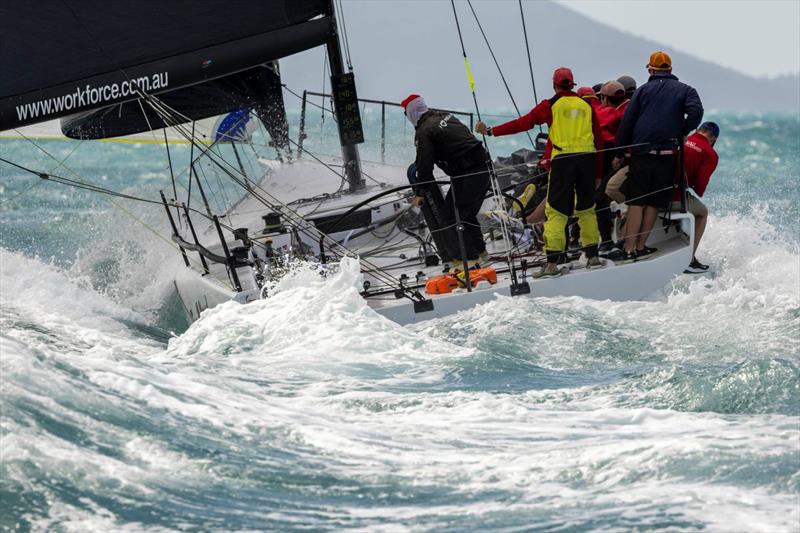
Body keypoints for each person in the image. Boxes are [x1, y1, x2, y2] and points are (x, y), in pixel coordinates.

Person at [476, 67, 603, 277]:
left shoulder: (550, 105)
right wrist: (598, 173)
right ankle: (593, 256)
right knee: (586, 209)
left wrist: (491, 131)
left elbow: (522, 123)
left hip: (563, 162)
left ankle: (552, 264)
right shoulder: (585, 105)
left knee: (556, 211)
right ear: (572, 84)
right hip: (587, 160)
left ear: (554, 85)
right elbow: (598, 140)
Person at [615, 51, 704, 262]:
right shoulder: (686, 90)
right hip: (666, 156)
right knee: (654, 203)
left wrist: (619, 152)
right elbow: (697, 112)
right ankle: (641, 246)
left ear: (651, 69)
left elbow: (627, 122)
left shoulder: (642, 91)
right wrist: (682, 131)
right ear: (671, 69)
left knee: (636, 201)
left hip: (642, 154)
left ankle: (629, 250)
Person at [401, 94, 490, 269]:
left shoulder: (424, 131)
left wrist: (419, 194)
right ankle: (480, 253)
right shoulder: (444, 115)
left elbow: (424, 166)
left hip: (468, 173)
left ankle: (468, 261)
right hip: (484, 167)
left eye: (406, 114)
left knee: (450, 218)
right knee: (466, 214)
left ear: (411, 113)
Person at [675, 121, 720, 273]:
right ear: (713, 139)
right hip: (673, 196)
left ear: (698, 130)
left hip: (654, 188)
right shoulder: (710, 153)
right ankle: (689, 259)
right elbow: (700, 188)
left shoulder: (681, 138)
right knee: (702, 212)